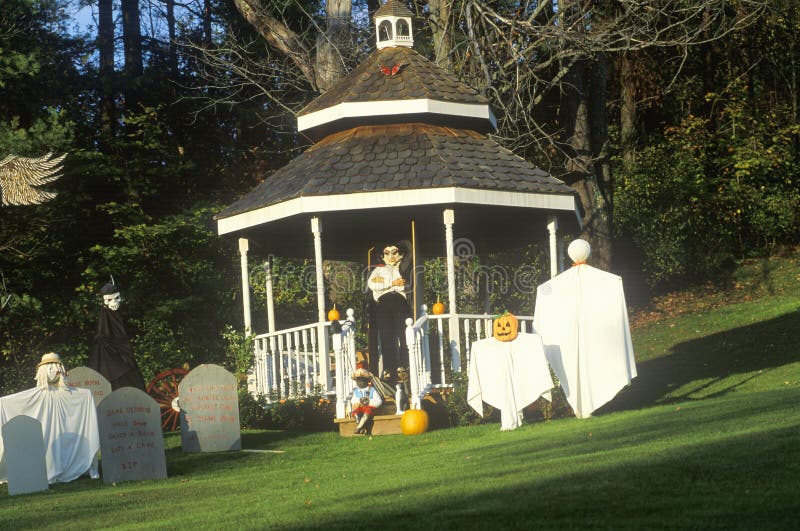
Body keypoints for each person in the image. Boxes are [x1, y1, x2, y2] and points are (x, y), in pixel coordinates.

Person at [366, 242, 412, 382]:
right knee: (386, 336)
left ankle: (404, 367)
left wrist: (386, 285)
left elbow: (405, 287)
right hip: (383, 304)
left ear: (401, 254)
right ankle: (389, 369)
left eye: (395, 252)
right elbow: (373, 285)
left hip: (400, 303)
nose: (391, 256)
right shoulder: (379, 270)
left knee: (403, 334)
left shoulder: (405, 269)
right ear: (383, 256)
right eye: (387, 253)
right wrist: (392, 284)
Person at [87, 283, 146, 391]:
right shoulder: (105, 316)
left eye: (116, 298)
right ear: (104, 301)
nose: (114, 303)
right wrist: (118, 354)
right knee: (123, 382)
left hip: (121, 355)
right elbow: (103, 336)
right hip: (112, 358)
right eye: (109, 300)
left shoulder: (115, 315)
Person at [350, 368, 383, 434]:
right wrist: (358, 402)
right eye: (358, 380)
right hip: (360, 409)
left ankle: (359, 427)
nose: (360, 382)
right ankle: (361, 426)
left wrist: (369, 402)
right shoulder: (356, 391)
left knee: (368, 410)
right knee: (356, 412)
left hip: (370, 409)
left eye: (363, 380)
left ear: (367, 381)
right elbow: (353, 401)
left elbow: (379, 401)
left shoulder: (372, 390)